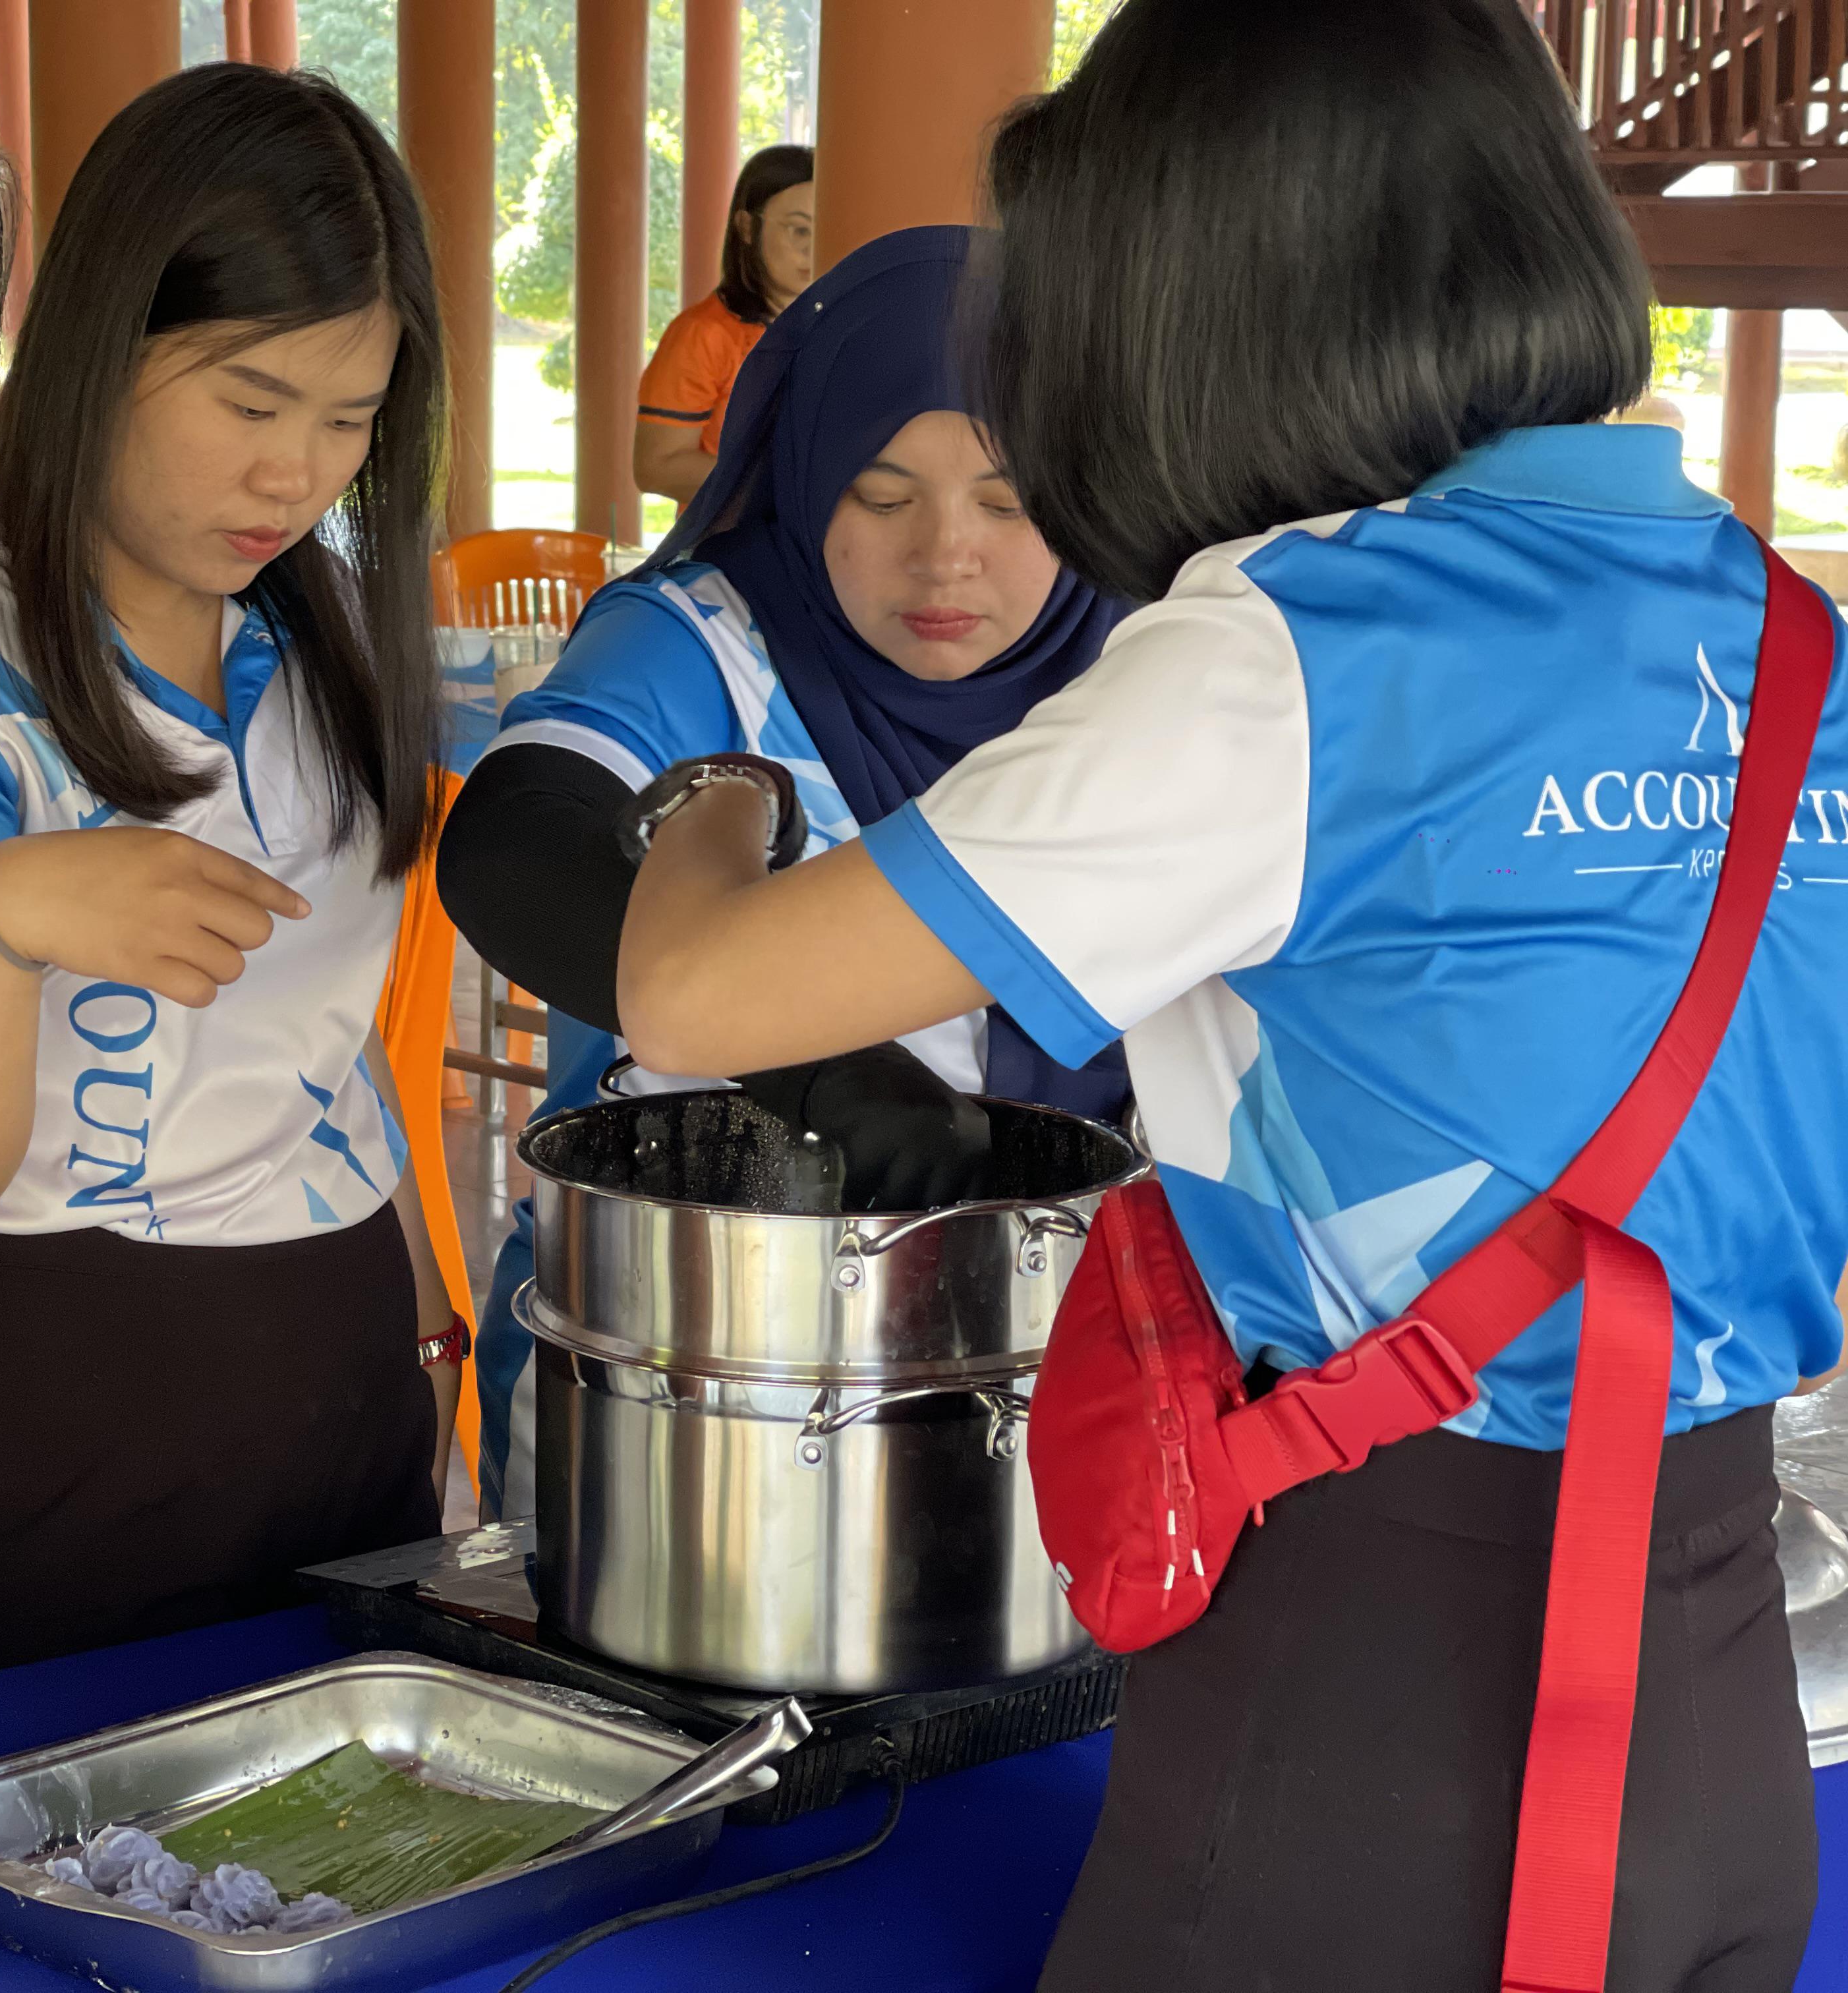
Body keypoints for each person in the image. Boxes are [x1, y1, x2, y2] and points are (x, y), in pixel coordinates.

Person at [606, 1, 1848, 1986]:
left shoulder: (1289, 659)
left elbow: (689, 995)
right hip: (1719, 1702)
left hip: (1376, 1719)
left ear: (1197, 316)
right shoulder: (1789, 640)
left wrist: (717, 794)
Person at [0, 63, 461, 1683]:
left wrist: (424, 1332)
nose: (296, 478)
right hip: (47, 1402)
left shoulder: (322, 621)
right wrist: (3, 923)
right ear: (99, 346)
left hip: (339, 1370)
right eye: (249, 403)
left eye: (350, 421)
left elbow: (327, 1037)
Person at [438, 225, 1129, 1522]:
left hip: (1041, 1381)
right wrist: (825, 1072)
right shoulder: (706, 640)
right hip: (676, 1383)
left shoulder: (1143, 667)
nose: (946, 556)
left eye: (1010, 496)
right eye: (880, 490)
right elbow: (513, 844)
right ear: (807, 472)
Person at [633, 145, 814, 507]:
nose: (815, 248)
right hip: (730, 549)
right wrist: (783, 486)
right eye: (800, 230)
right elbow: (657, 467)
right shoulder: (704, 334)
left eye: (828, 229)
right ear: (747, 227)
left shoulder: (835, 324)